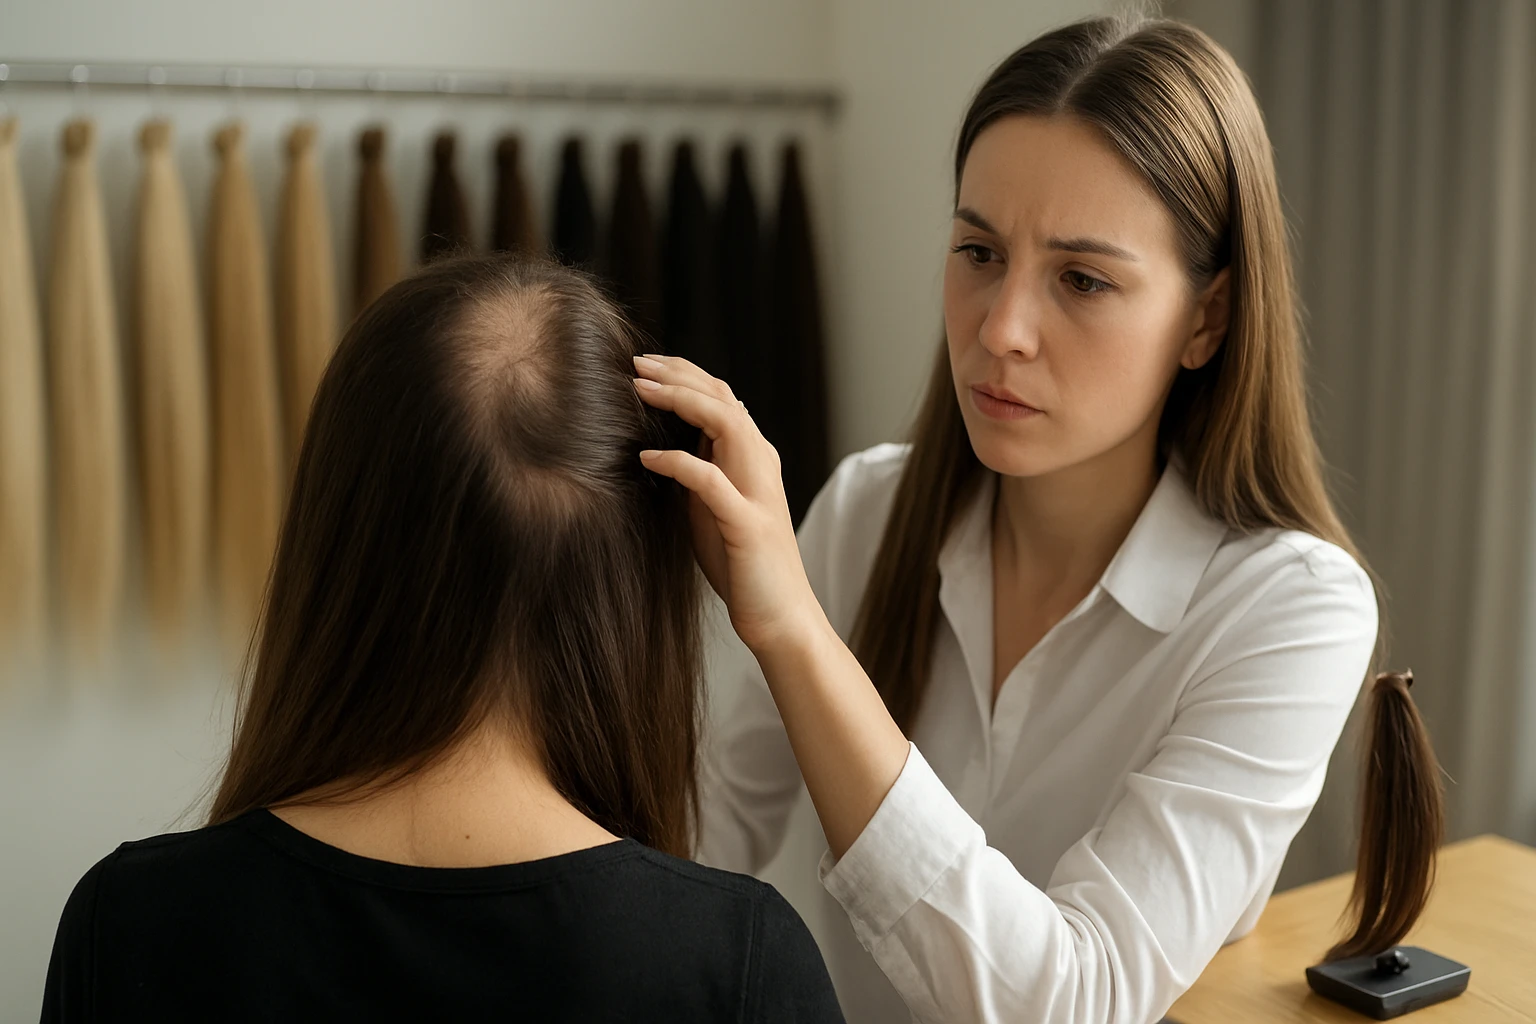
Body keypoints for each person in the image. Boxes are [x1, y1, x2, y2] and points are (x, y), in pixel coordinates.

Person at [632, 14, 1444, 1024]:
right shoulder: (869, 510)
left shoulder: (1292, 608)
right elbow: (683, 844)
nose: (1002, 329)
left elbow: (1075, 999)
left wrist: (794, 633)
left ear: (1208, 318)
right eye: (978, 249)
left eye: (1083, 279)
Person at [41, 254, 844, 1023]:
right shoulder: (734, 965)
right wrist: (789, 625)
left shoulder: (130, 925)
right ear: (636, 590)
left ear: (338, 547)